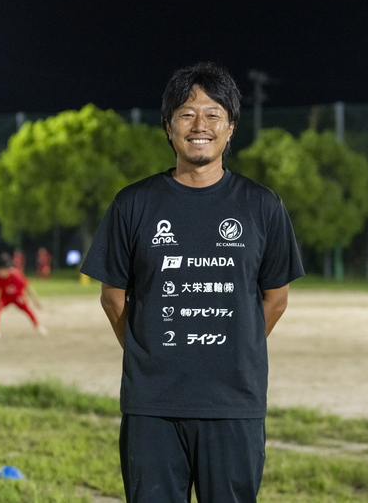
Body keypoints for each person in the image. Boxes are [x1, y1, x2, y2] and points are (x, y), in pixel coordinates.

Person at [80, 62, 304, 502]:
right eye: (186, 113)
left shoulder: (262, 206)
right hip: (153, 405)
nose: (200, 125)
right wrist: (149, 351)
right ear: (168, 126)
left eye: (213, 114)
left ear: (231, 127)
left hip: (233, 403)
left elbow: (276, 298)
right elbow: (113, 297)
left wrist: (235, 347)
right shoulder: (133, 204)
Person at [0, 252, 46, 340]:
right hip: (5, 297)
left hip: (17, 296)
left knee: (27, 309)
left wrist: (36, 300)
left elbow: (27, 287)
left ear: (7, 269)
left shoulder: (15, 275)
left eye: (1, 270)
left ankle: (38, 326)